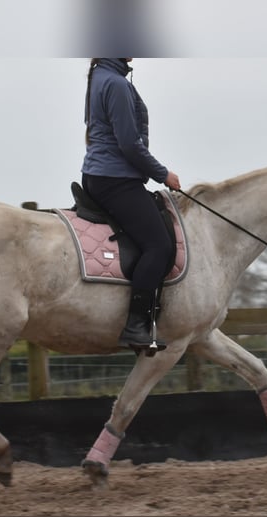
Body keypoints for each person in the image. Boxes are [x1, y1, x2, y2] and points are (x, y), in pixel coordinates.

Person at [81, 58, 181, 352]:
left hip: (100, 174)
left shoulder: (100, 75)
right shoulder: (116, 83)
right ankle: (136, 326)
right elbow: (128, 143)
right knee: (159, 247)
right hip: (115, 179)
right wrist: (163, 174)